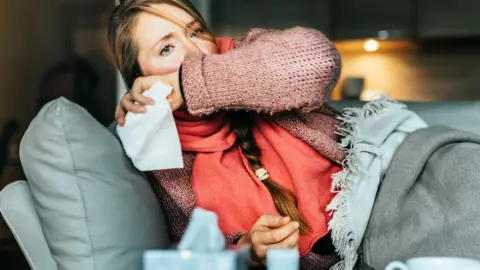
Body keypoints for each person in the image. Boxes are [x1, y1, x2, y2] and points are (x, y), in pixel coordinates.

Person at [108, 1, 480, 269]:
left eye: (195, 32)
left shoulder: (249, 56)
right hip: (364, 246)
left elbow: (317, 61)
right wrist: (250, 249)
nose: (195, 53)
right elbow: (195, 247)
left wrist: (191, 83)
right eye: (167, 47)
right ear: (140, 76)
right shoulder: (159, 151)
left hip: (401, 180)